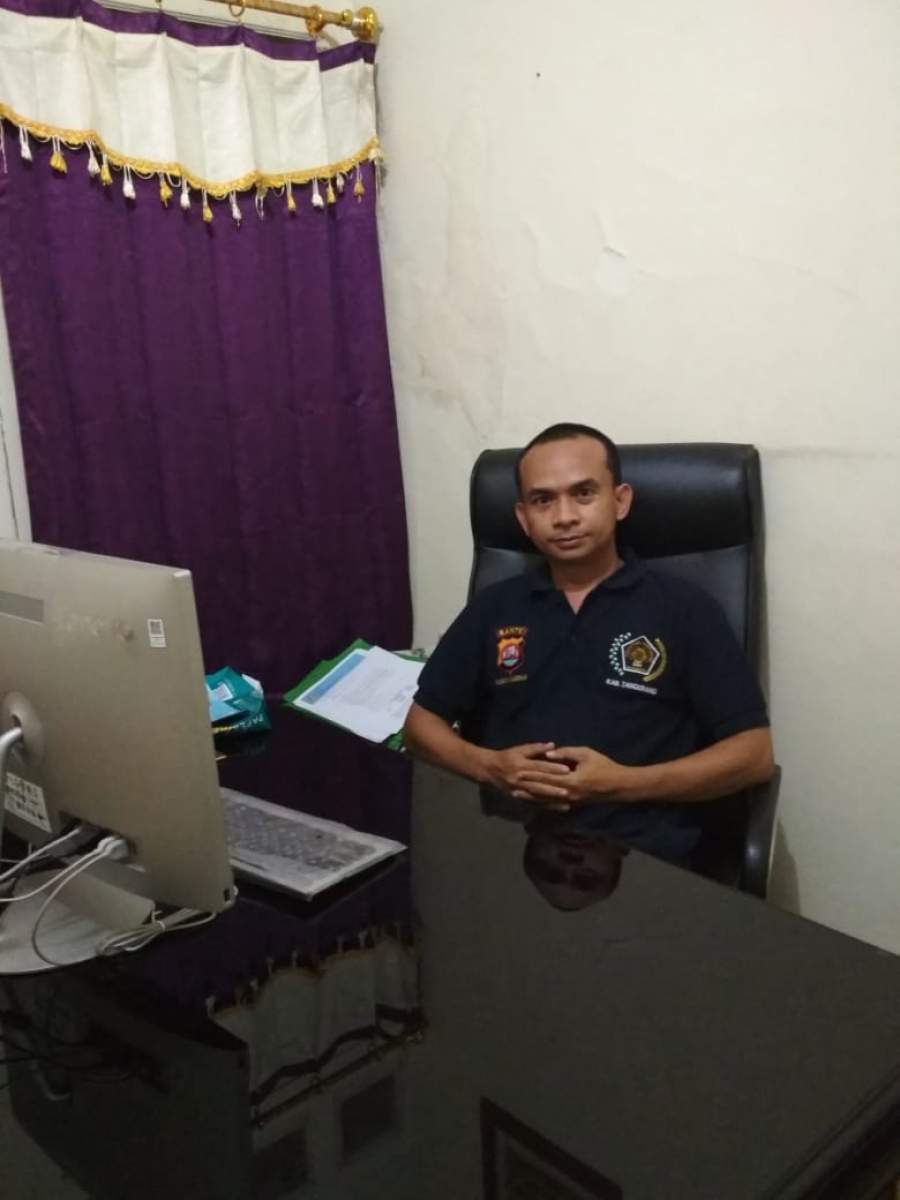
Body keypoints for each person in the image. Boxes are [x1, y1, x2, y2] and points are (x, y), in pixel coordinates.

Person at [403, 422, 775, 867]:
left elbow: (753, 755)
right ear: (523, 517)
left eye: (583, 493)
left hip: (645, 858)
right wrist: (490, 767)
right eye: (543, 500)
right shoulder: (494, 607)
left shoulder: (684, 609)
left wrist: (621, 783)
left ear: (620, 501)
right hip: (506, 850)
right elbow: (421, 725)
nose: (564, 517)